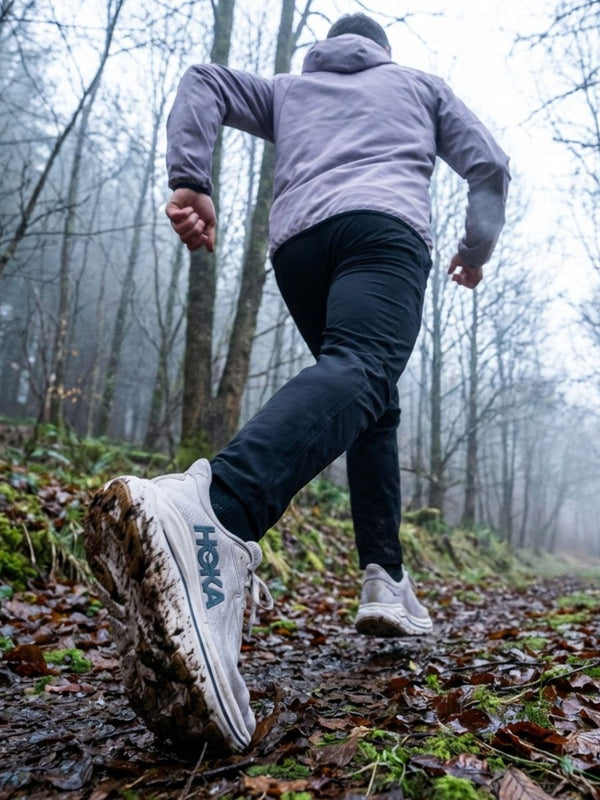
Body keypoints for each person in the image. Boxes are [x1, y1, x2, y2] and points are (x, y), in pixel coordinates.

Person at [84, 13, 510, 754]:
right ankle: (215, 512)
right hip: (382, 232)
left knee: (369, 399)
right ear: (381, 50)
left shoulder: (291, 89)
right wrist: (476, 249)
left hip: (301, 247)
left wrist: (191, 180)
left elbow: (206, 81)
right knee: (364, 369)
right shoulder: (418, 85)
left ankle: (385, 577)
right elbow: (490, 167)